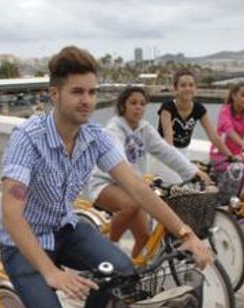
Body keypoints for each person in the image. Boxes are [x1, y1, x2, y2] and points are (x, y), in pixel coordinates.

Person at [0, 46, 211, 308]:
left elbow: (139, 189)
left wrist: (185, 233)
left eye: (93, 92)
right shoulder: (28, 139)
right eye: (78, 92)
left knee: (124, 270)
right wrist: (51, 273)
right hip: (24, 242)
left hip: (64, 227)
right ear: (54, 93)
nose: (87, 101)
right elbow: (11, 212)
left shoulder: (94, 137)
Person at [87, 86, 212, 257]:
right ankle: (110, 248)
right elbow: (119, 159)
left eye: (142, 103)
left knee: (144, 236)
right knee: (131, 205)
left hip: (131, 187)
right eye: (133, 103)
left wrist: (192, 171)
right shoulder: (113, 130)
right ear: (123, 106)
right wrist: (138, 181)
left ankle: (134, 269)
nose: (138, 107)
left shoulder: (144, 129)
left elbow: (166, 151)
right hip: (104, 183)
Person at [157, 68, 233, 167]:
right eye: (183, 85)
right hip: (164, 153)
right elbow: (168, 140)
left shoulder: (199, 109)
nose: (188, 88)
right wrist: (182, 165)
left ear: (195, 88)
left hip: (183, 152)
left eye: (191, 85)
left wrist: (230, 156)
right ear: (176, 88)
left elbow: (214, 137)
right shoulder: (167, 107)